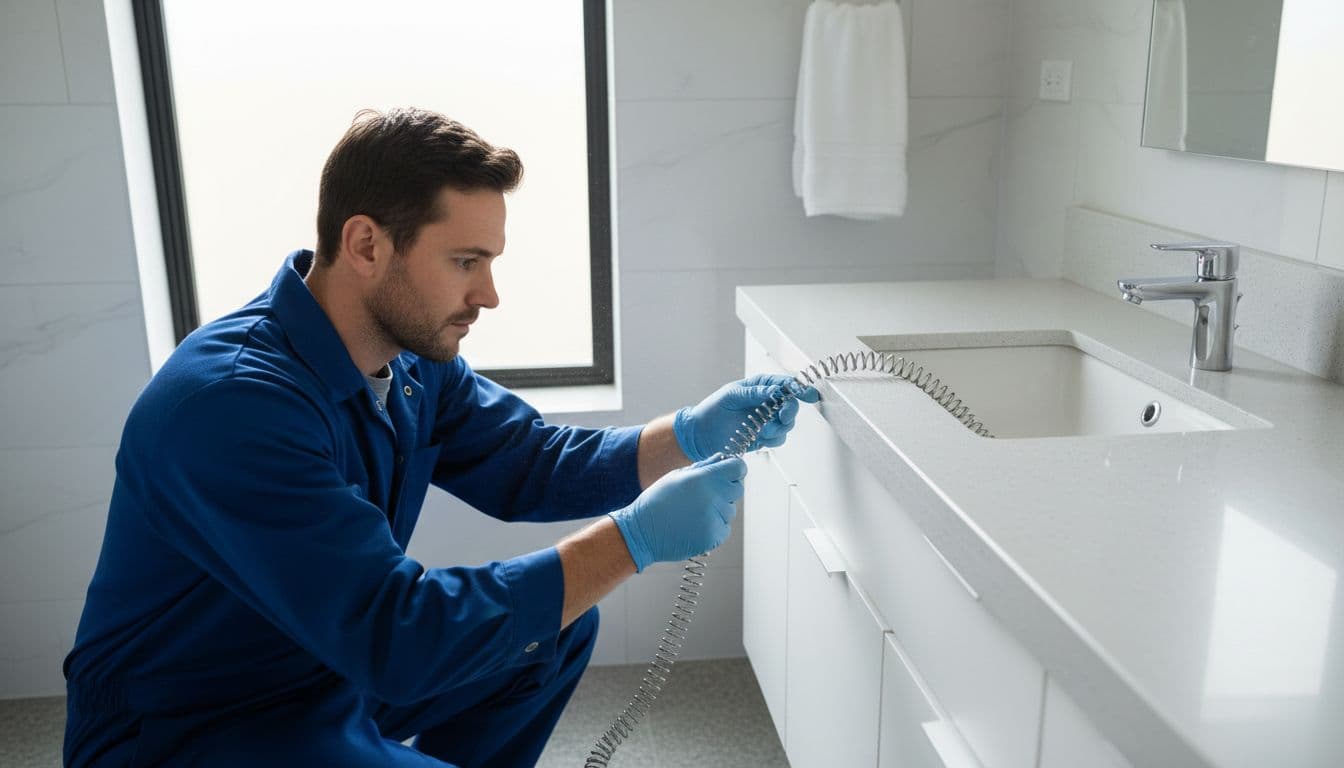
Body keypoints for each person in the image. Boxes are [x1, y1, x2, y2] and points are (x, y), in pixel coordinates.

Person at [62, 107, 819, 767]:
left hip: (321, 673)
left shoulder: (410, 362)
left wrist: (686, 433)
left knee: (551, 632)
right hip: (194, 731)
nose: (489, 294)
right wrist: (632, 541)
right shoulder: (230, 407)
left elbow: (527, 461)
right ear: (365, 245)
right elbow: (398, 637)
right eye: (466, 262)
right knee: (533, 607)